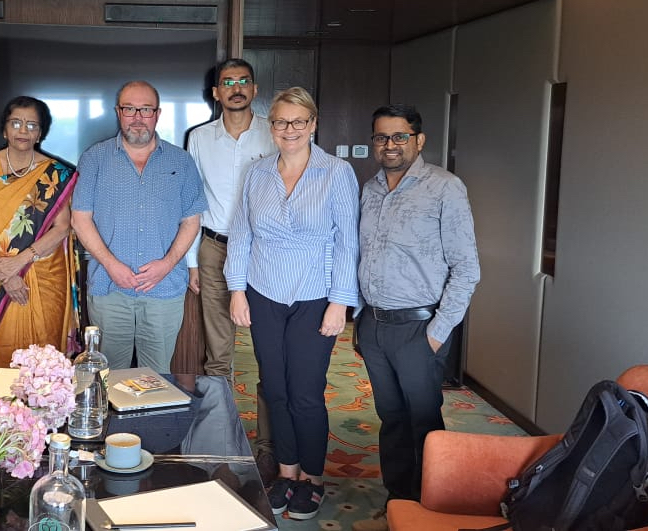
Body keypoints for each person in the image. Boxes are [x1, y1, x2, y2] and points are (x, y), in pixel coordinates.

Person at [224, 86, 359, 521]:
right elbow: (242, 234)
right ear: (271, 126)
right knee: (275, 390)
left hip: (315, 296)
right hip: (263, 293)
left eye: (299, 122)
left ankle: (312, 479)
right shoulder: (257, 172)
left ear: (313, 124)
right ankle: (286, 473)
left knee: (305, 392)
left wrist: (340, 303)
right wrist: (237, 289)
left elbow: (347, 245)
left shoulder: (337, 173)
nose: (290, 130)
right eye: (281, 121)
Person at [351, 104, 481, 531]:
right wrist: (358, 317)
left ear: (418, 140)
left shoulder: (445, 188)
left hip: (419, 328)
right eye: (381, 137)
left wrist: (437, 333)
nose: (390, 145)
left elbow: (467, 270)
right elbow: (360, 254)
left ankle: (430, 505)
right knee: (390, 416)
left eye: (399, 136)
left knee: (424, 419)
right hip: (374, 324)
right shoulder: (368, 189)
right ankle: (398, 498)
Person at [184, 58, 280, 482]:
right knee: (217, 357)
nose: (236, 88)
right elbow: (191, 201)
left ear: (255, 90)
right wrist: (191, 261)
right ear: (216, 93)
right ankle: (220, 444)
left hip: (265, 251)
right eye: (228, 82)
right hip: (214, 249)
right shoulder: (199, 138)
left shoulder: (275, 131)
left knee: (269, 357)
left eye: (244, 81)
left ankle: (267, 449)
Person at [71, 80, 206, 374]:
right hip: (109, 287)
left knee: (156, 376)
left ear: (157, 114)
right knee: (107, 374)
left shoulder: (181, 161)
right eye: (129, 109)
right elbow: (80, 218)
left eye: (145, 109)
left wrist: (168, 264)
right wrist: (111, 264)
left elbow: (191, 220)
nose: (137, 117)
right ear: (118, 112)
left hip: (164, 288)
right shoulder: (95, 158)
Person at [0, 96, 78, 368]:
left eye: (31, 125)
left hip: (42, 275)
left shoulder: (55, 173)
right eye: (16, 123)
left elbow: (62, 227)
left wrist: (20, 261)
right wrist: (3, 271)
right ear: (5, 129)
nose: (23, 131)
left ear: (40, 133)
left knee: (43, 358)